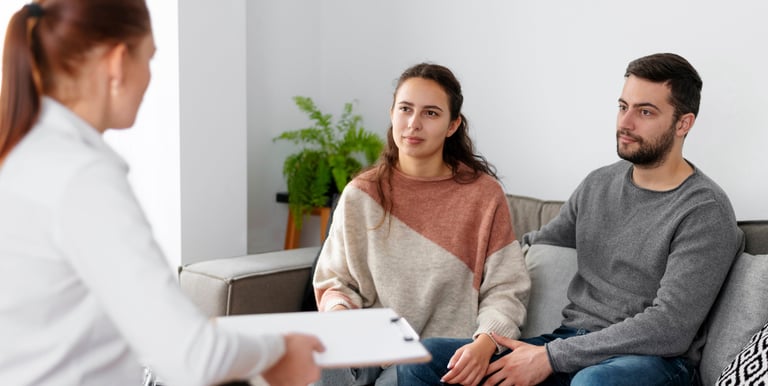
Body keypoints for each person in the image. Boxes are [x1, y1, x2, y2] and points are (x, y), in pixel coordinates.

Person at [0, 1, 324, 385]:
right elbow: (194, 358)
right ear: (119, 62)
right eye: (149, 60)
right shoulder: (81, 176)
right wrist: (280, 349)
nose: (149, 78)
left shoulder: (26, 155)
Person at [398, 53, 745, 386]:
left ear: (683, 123)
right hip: (567, 345)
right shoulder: (599, 184)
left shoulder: (704, 211)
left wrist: (550, 358)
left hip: (648, 362)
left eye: (645, 112)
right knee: (425, 357)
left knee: (596, 380)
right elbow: (534, 244)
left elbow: (669, 327)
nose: (625, 123)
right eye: (623, 107)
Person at [312, 63, 531, 386]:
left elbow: (506, 290)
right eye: (405, 109)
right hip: (369, 350)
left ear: (452, 124)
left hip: (439, 359)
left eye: (430, 113)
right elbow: (335, 282)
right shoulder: (362, 194)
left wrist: (485, 344)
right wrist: (343, 321)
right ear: (391, 113)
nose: (413, 124)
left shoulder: (483, 196)